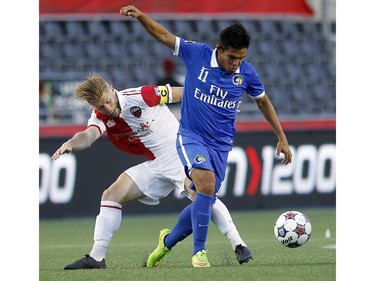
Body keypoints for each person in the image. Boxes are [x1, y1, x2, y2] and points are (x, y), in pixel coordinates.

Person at [120, 5, 293, 268]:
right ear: (219, 49)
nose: (236, 63)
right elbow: (165, 36)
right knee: (206, 183)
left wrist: (281, 137)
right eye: (233, 57)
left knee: (205, 198)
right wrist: (142, 17)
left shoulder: (246, 73)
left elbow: (263, 102)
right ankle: (199, 252)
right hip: (190, 136)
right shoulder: (197, 53)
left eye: (241, 58)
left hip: (221, 145)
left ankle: (166, 242)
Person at [51, 73, 253, 270]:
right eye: (100, 106)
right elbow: (88, 136)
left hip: (179, 153)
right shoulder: (100, 115)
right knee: (111, 195)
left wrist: (218, 103)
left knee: (202, 195)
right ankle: (97, 257)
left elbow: (187, 92)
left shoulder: (142, 95)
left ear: (112, 91)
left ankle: (238, 243)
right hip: (156, 164)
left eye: (107, 102)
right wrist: (70, 143)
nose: (107, 108)